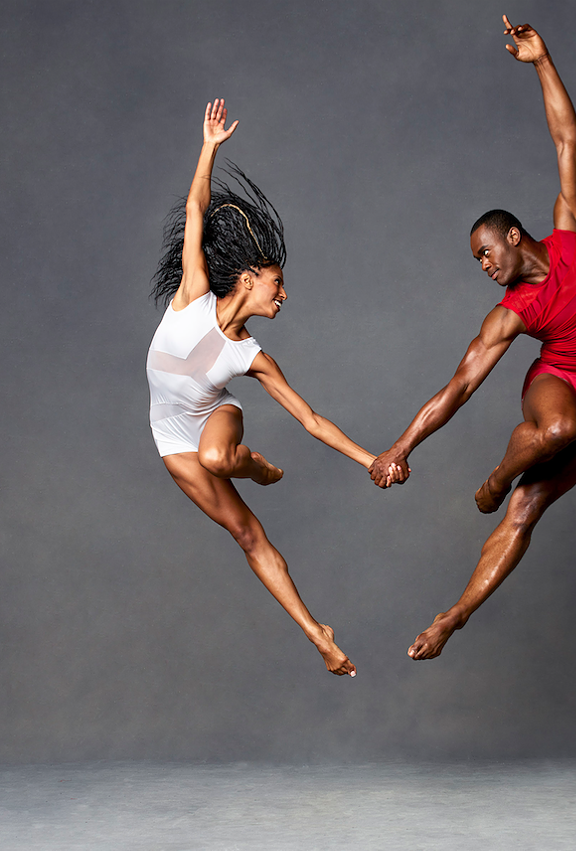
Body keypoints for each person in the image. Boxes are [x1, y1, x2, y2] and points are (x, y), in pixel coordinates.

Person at [369, 17, 576, 660]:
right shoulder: (511, 313)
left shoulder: (572, 230)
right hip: (559, 385)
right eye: (476, 263)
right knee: (555, 436)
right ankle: (493, 480)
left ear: (513, 236)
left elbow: (567, 140)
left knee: (526, 512)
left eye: (486, 253)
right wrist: (400, 447)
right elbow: (459, 385)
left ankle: (450, 620)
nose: (484, 268)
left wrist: (542, 61)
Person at [147, 99, 398, 676]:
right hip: (169, 434)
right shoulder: (192, 294)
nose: (283, 296)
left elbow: (310, 420)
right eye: (277, 285)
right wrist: (208, 148)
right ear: (248, 279)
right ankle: (320, 634)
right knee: (247, 533)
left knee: (218, 455)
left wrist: (370, 460)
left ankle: (250, 464)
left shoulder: (252, 357)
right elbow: (195, 207)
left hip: (215, 420)